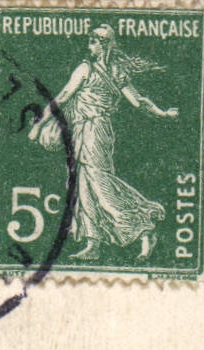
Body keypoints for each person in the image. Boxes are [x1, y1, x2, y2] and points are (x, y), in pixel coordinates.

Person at [29, 25, 178, 260]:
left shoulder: (92, 70)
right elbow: (137, 101)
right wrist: (161, 113)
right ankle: (93, 243)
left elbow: (65, 96)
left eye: (93, 42)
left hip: (96, 131)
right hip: (82, 131)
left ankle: (143, 227)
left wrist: (39, 123)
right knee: (82, 185)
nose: (90, 47)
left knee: (99, 183)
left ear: (104, 44)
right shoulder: (102, 69)